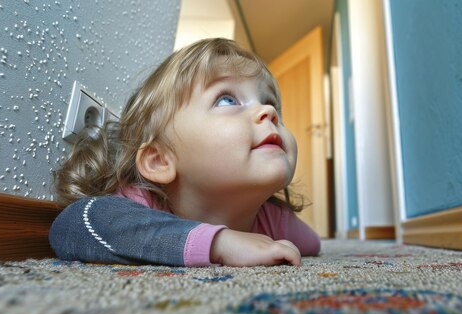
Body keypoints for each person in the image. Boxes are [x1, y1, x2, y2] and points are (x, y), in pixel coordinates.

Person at [49, 38, 321, 267]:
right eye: (227, 99)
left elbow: (314, 243)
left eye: (270, 102)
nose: (269, 112)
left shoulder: (275, 220)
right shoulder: (143, 202)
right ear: (160, 160)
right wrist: (218, 243)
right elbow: (73, 226)